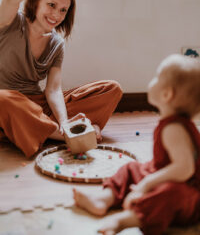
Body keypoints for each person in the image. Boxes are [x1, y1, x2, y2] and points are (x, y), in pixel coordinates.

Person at [0, 0, 122, 158]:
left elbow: (54, 89)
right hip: (8, 104)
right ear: (37, 1)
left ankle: (51, 129)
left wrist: (64, 120)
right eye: (52, 5)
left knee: (111, 89)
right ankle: (63, 133)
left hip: (36, 107)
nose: (56, 15)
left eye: (63, 10)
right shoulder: (10, 23)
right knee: (2, 99)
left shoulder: (57, 43)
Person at [73, 54, 200, 235]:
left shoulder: (175, 129)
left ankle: (125, 220)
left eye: (157, 77)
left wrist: (147, 183)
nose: (152, 80)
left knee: (170, 194)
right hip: (164, 174)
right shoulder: (171, 123)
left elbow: (185, 169)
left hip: (188, 194)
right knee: (131, 168)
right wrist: (147, 176)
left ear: (167, 94)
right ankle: (104, 199)